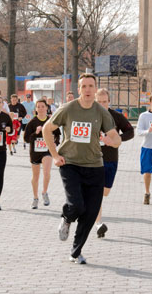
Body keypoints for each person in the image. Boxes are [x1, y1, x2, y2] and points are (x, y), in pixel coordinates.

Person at [42, 73, 121, 264]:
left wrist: (112, 141)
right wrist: (54, 155)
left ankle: (76, 252)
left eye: (90, 86)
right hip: (70, 164)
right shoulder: (68, 109)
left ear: (95, 89)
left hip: (95, 167)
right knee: (77, 205)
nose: (87, 90)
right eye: (84, 86)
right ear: (79, 89)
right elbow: (46, 129)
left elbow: (116, 139)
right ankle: (67, 218)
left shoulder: (102, 112)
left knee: (91, 212)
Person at [94, 88, 134, 238]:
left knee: (105, 192)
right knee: (96, 192)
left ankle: (94, 214)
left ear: (109, 102)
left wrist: (116, 139)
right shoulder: (90, 115)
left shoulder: (116, 116)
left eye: (104, 102)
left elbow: (130, 132)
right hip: (93, 159)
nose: (102, 104)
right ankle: (98, 224)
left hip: (111, 159)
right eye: (99, 102)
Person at [24, 99, 61, 209]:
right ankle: (35, 198)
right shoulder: (32, 122)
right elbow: (26, 139)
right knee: (35, 176)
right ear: (35, 109)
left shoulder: (51, 122)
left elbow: (58, 135)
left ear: (46, 108)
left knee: (46, 172)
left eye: (42, 106)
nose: (40, 108)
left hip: (47, 150)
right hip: (35, 152)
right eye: (38, 106)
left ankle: (44, 192)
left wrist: (55, 143)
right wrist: (35, 133)